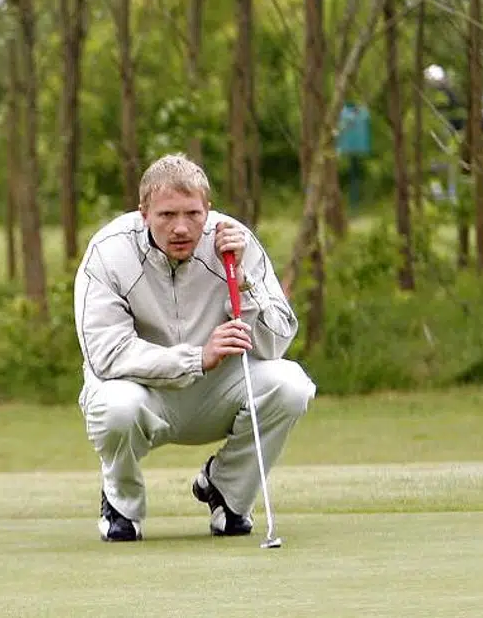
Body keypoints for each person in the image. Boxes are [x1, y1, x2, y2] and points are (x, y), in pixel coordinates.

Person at [73, 154, 316, 542]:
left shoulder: (233, 241)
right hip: (142, 392)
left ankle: (228, 493)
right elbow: (107, 355)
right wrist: (197, 357)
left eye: (193, 214)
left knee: (291, 385)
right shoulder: (108, 252)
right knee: (114, 407)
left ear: (208, 209)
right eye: (167, 215)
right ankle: (122, 505)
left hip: (216, 390)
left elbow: (276, 343)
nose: (181, 228)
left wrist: (244, 276)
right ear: (144, 212)